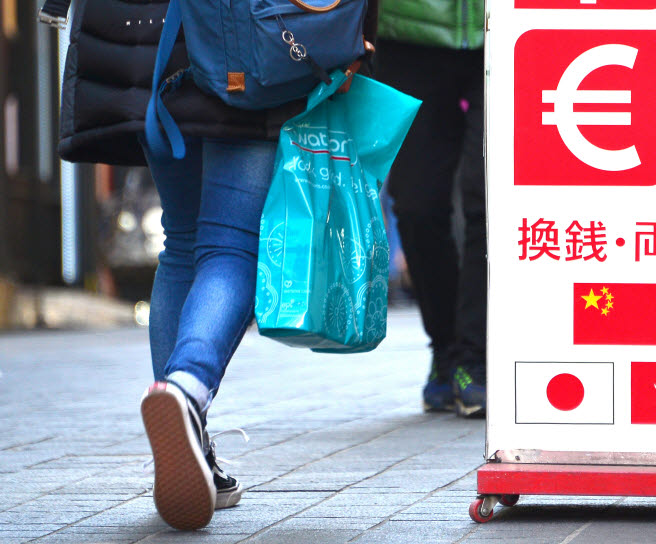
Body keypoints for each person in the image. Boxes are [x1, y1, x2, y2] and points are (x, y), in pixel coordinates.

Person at [50, 0, 377, 529]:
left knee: (181, 243)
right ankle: (187, 389)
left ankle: (186, 438)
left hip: (148, 41)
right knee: (231, 244)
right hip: (248, 38)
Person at [376, 1, 487, 417]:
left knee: (491, 198)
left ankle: (474, 360)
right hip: (408, 31)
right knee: (417, 204)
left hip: (508, 27)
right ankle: (447, 350)